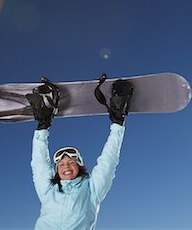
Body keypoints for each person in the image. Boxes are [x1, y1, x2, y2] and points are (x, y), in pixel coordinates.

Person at [26, 78, 133, 230]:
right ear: (56, 170)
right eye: (61, 164)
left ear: (79, 165)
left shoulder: (91, 190)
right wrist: (42, 127)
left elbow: (108, 162)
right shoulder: (49, 190)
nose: (66, 166)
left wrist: (117, 124)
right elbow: (39, 163)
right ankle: (46, 105)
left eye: (70, 162)